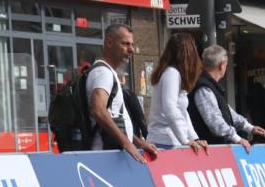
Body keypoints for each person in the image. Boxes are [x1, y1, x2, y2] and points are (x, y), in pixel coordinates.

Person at [87, 23, 158, 163]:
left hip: (112, 153)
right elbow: (98, 110)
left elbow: (116, 118)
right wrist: (127, 143)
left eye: (132, 44)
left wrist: (137, 142)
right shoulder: (103, 73)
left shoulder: (108, 72)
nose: (131, 49)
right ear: (109, 42)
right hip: (105, 156)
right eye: (125, 44)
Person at [187, 45, 265, 152]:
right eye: (226, 65)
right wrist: (237, 139)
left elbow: (227, 111)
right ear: (221, 65)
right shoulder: (204, 88)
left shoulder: (211, 86)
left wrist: (248, 127)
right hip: (209, 153)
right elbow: (215, 122)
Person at [147, 33, 207, 153]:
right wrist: (185, 140)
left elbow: (182, 112)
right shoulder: (172, 73)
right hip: (165, 141)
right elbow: (170, 107)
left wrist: (193, 138)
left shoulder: (172, 73)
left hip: (170, 140)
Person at [118, 71, 148, 141]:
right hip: (132, 134)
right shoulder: (128, 93)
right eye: (124, 77)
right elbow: (139, 115)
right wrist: (146, 134)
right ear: (121, 79)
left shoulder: (109, 94)